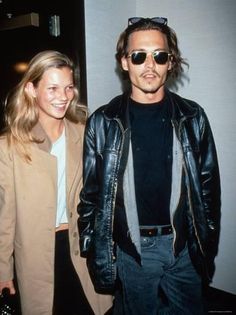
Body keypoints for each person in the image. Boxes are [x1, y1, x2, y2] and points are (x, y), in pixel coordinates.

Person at [78, 17, 221, 315]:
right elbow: (91, 196)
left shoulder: (193, 117)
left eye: (159, 55)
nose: (150, 65)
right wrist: (96, 250)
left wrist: (204, 241)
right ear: (125, 62)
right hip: (133, 251)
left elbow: (209, 190)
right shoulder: (103, 122)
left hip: (183, 249)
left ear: (170, 62)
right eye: (139, 55)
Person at [0, 50, 112, 315]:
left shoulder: (87, 133)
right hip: (37, 256)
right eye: (52, 88)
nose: (63, 97)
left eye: (69, 87)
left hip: (82, 249)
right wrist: (3, 269)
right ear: (31, 89)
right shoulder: (9, 147)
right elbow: (6, 217)